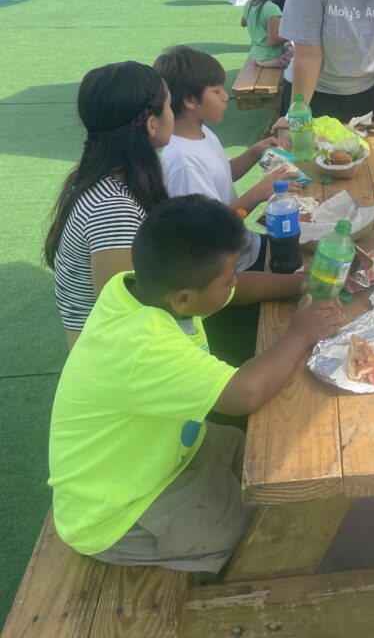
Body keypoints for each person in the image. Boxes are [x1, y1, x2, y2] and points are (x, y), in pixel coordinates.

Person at [48, 194, 344, 573]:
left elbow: (239, 290)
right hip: (120, 509)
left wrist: (296, 286)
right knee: (263, 535)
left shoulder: (143, 290)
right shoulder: (144, 345)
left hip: (160, 453)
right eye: (227, 279)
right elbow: (245, 394)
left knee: (262, 451)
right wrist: (299, 334)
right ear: (185, 298)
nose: (234, 283)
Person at [153, 46, 304, 363]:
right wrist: (259, 193)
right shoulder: (182, 162)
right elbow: (210, 234)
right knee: (266, 336)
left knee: (306, 251)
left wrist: (253, 153)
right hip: (227, 272)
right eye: (217, 90)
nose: (225, 97)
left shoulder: (202, 132)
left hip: (244, 248)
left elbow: (223, 173)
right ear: (191, 101)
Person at [43, 62, 173, 348]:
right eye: (170, 106)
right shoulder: (114, 208)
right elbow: (123, 318)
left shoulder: (99, 176)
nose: (172, 115)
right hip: (114, 366)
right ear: (152, 123)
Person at [241, 0, 292, 68]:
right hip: (270, 57)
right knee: (301, 61)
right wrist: (291, 35)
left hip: (256, 55)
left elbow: (243, 23)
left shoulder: (249, 4)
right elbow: (272, 41)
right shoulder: (272, 9)